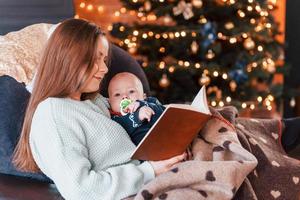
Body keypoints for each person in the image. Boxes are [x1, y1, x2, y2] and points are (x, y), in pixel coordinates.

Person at [12, 18, 187, 200]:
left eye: (104, 59)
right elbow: (81, 190)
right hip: (137, 189)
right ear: (70, 59)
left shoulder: (94, 101)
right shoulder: (53, 115)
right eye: (96, 59)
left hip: (155, 169)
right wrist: (151, 171)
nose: (104, 69)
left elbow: (134, 108)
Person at [108, 72, 165, 145]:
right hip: (147, 149)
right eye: (117, 94)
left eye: (131, 91)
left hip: (166, 136)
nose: (124, 96)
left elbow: (165, 114)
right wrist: (137, 116)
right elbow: (121, 129)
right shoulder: (114, 118)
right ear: (110, 102)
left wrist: (142, 104)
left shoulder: (150, 102)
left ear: (144, 96)